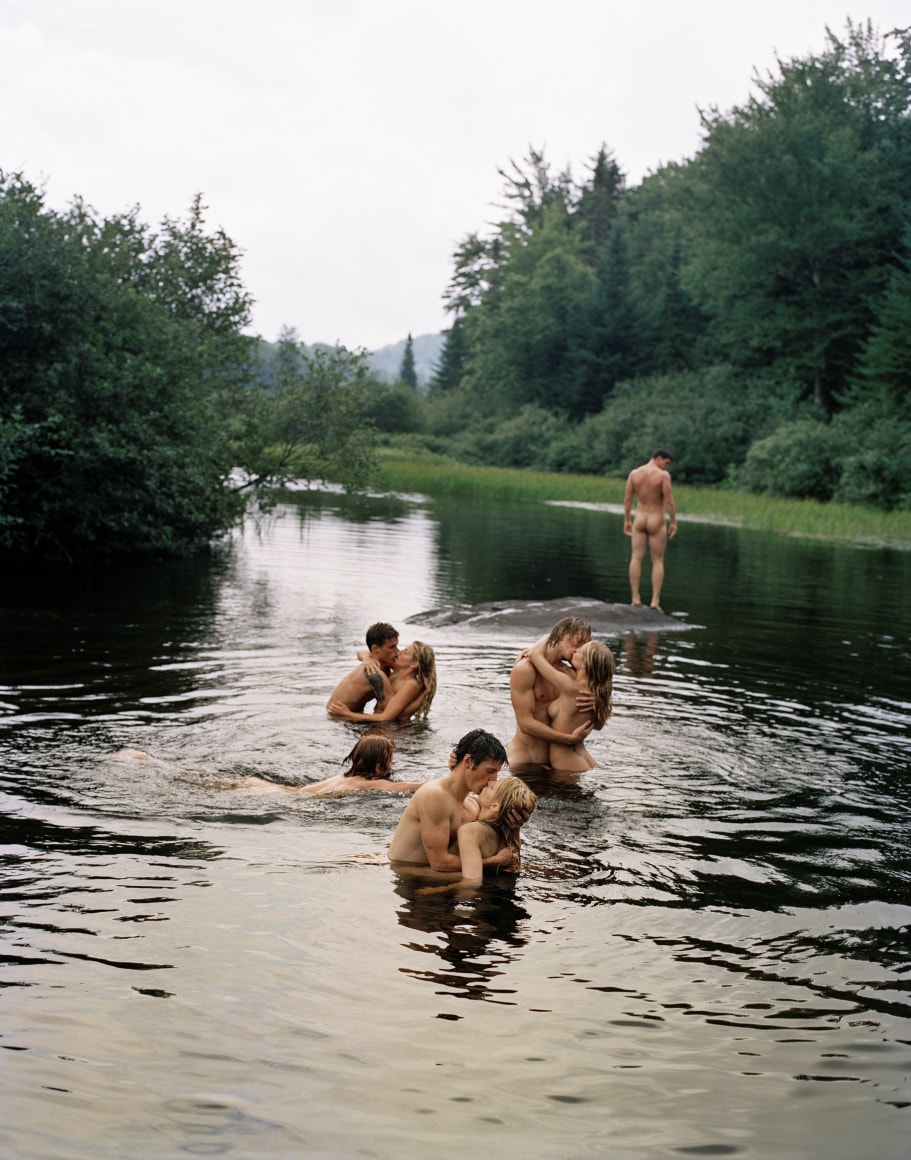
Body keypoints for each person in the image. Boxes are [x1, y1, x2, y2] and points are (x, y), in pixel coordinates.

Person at [388, 728, 517, 872]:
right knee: (488, 879)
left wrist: (515, 823)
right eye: (490, 771)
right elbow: (439, 863)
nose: (493, 780)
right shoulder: (435, 796)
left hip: (434, 874)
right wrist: (494, 861)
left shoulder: (473, 803)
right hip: (410, 877)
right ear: (468, 761)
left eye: (497, 773)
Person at [416, 777, 538, 893]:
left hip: (452, 893)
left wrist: (438, 891)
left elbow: (472, 883)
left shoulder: (470, 831)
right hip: (496, 892)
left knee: (405, 869)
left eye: (492, 787)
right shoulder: (511, 836)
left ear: (495, 806)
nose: (490, 782)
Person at [506, 616, 596, 768]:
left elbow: (594, 722)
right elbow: (525, 724)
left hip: (558, 763)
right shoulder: (525, 669)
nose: (579, 649)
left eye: (584, 645)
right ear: (562, 633)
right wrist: (568, 739)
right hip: (527, 761)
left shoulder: (571, 674)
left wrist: (597, 702)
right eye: (578, 641)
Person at [526, 636, 614, 771]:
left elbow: (534, 655)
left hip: (567, 763)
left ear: (584, 665)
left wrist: (555, 635)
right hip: (582, 757)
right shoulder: (595, 694)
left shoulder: (570, 687)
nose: (575, 651)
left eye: (580, 651)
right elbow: (598, 726)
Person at [328, 641, 436, 723]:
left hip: (386, 731)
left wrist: (348, 714)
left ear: (414, 664)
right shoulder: (397, 671)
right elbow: (361, 652)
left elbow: (388, 717)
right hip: (378, 726)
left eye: (405, 652)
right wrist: (367, 659)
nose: (399, 652)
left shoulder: (411, 684)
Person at [624, 449, 678, 611]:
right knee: (658, 560)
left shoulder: (634, 474)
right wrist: (674, 521)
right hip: (656, 519)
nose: (666, 467)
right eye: (666, 463)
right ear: (659, 459)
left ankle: (635, 598)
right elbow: (669, 500)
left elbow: (628, 499)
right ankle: (655, 601)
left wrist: (627, 520)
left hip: (639, 519)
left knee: (636, 558)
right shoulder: (662, 476)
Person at [326, 622, 399, 715]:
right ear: (375, 649)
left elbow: (362, 652)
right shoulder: (375, 673)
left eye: (396, 646)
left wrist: (366, 657)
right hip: (339, 718)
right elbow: (391, 710)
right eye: (392, 647)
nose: (397, 651)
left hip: (345, 716)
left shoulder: (377, 663)